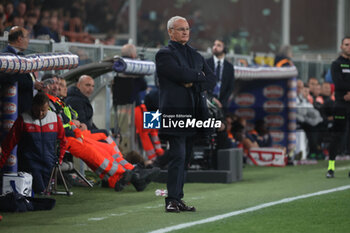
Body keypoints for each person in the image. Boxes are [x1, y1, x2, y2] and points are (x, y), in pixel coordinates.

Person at [155, 16, 216, 212]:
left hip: (195, 113)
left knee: (186, 157)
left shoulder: (196, 55)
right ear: (170, 32)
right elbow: (179, 74)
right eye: (180, 29)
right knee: (178, 155)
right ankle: (171, 199)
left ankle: (178, 198)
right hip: (175, 113)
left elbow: (211, 79)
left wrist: (192, 79)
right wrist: (198, 77)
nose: (185, 32)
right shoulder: (164, 54)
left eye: (187, 29)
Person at [0, 92, 67, 194]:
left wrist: (59, 159)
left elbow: (63, 141)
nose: (40, 114)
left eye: (43, 111)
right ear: (32, 107)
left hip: (49, 164)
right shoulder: (23, 120)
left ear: (48, 107)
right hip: (30, 164)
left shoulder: (55, 119)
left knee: (44, 192)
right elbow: (8, 145)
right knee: (40, 191)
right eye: (37, 110)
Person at [1, 26, 43, 114]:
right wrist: (32, 84)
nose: (28, 40)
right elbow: (10, 79)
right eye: (27, 37)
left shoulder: (22, 55)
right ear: (20, 39)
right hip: (14, 109)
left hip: (25, 105)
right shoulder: (6, 57)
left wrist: (35, 83)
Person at [326, 36, 350, 178]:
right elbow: (339, 84)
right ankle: (330, 168)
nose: (349, 47)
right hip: (341, 105)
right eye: (346, 44)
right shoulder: (336, 64)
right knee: (337, 137)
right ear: (341, 47)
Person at [206, 39, 235, 111]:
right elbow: (202, 84)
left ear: (224, 49)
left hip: (222, 105)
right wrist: (210, 98)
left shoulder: (229, 67)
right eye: (214, 45)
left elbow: (230, 87)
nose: (215, 47)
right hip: (206, 103)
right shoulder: (206, 63)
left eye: (218, 45)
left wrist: (222, 103)